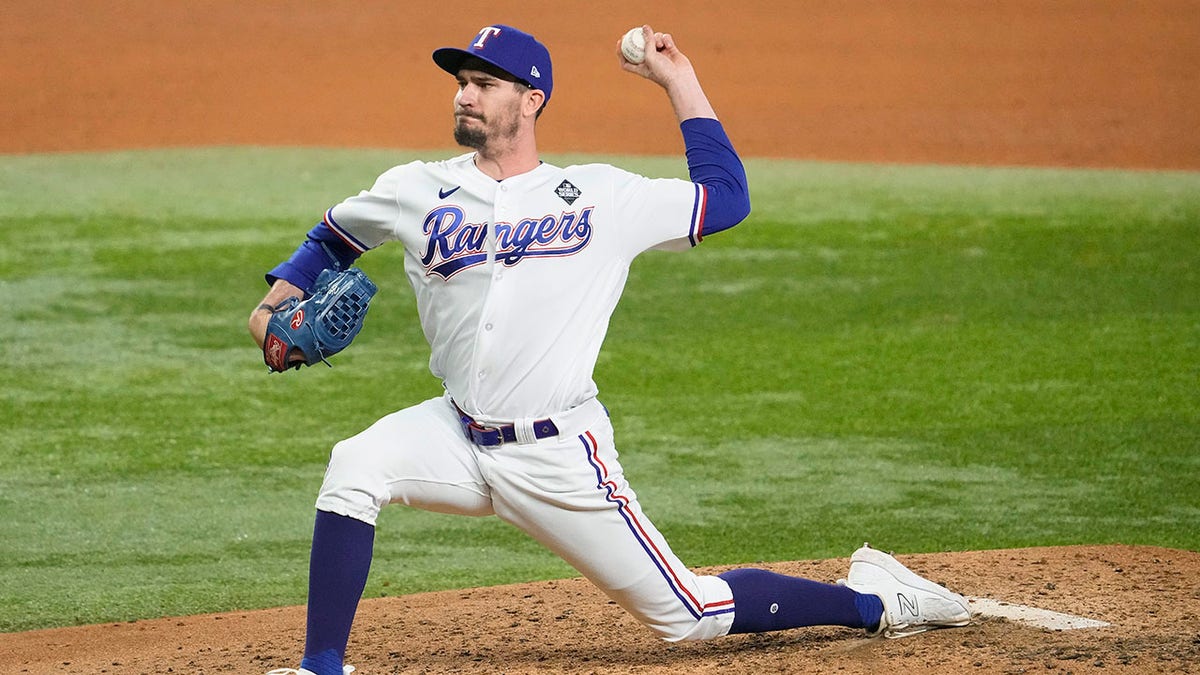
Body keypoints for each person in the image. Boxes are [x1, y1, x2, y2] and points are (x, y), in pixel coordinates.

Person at [250, 24, 971, 675]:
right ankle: (321, 667)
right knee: (355, 464)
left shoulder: (600, 198)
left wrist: (678, 79)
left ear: (531, 100)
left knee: (692, 616)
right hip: (456, 433)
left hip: (559, 453)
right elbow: (331, 238)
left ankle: (877, 600)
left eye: (484, 83)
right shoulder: (415, 188)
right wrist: (272, 308)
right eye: (461, 82)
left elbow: (727, 197)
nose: (464, 95)